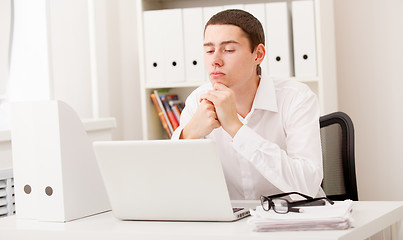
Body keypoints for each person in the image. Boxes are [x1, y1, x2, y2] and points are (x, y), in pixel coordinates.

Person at [172, 9, 323, 200]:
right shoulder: (198, 101)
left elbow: (307, 185)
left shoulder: (296, 98)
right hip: (231, 223)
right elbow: (175, 186)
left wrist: (236, 128)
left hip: (295, 217)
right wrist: (188, 135)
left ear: (258, 54)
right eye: (209, 51)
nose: (215, 61)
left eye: (228, 50)